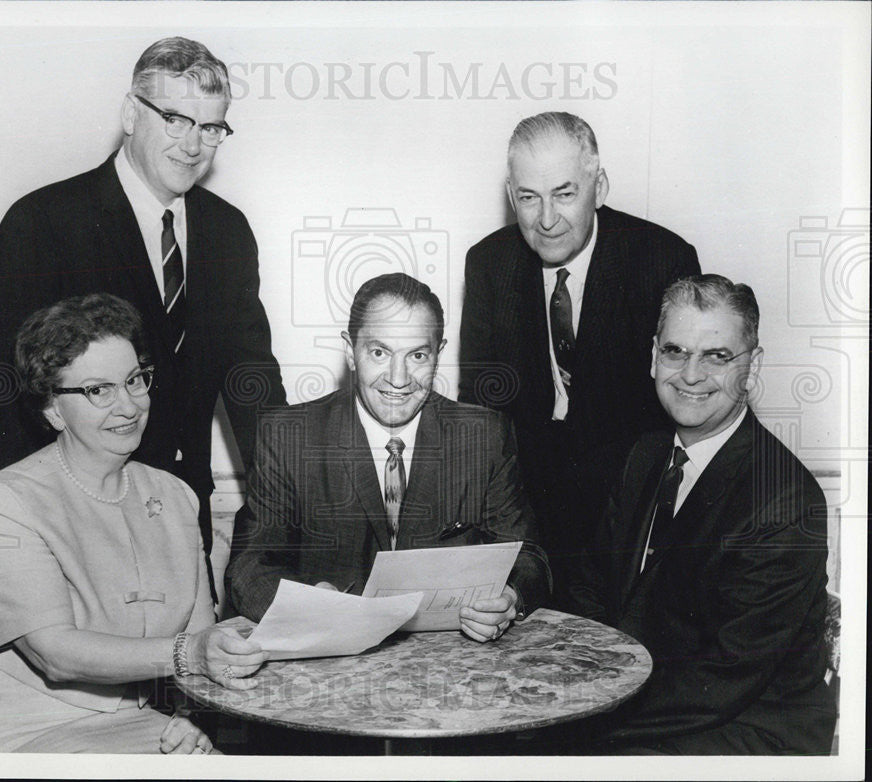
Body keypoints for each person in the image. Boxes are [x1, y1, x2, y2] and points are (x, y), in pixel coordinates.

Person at [0, 37, 285, 585]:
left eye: (211, 127)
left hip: (180, 530)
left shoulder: (228, 231)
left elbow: (256, 388)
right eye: (175, 119)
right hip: (63, 537)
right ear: (132, 113)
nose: (193, 145)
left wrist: (290, 529)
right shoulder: (43, 222)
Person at [0, 294, 268, 753]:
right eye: (98, 390)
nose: (128, 406)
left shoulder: (175, 497)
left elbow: (199, 639)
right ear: (52, 408)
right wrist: (192, 654)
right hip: (9, 732)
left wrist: (191, 716)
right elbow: (56, 654)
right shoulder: (1, 507)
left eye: (134, 381)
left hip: (135, 724)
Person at [563, 275, 836, 754]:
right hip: (647, 702)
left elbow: (727, 675)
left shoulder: (785, 499)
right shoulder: (643, 456)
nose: (691, 375)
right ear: (653, 357)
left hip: (746, 728)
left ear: (752, 368)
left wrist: (581, 714)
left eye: (717, 356)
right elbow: (592, 588)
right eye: (675, 351)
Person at [226, 273, 551, 641]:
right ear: (350, 351)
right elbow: (248, 565)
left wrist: (510, 598)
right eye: (379, 352)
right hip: (328, 662)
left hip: (450, 662)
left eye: (417, 355)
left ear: (438, 354)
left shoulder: (484, 436)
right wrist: (308, 604)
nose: (398, 379)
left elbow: (530, 557)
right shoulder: (288, 436)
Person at [458, 112, 700, 597]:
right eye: (529, 197)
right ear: (511, 197)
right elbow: (481, 407)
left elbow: (681, 407)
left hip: (629, 506)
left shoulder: (661, 259)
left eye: (565, 194)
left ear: (600, 187)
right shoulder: (488, 263)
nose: (546, 220)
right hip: (528, 503)